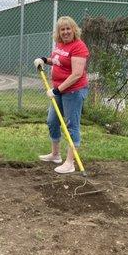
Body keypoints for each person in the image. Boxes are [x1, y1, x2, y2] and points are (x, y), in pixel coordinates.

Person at [34, 16, 90, 174]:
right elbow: (58, 61)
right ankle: (55, 155)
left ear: (74, 29)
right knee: (52, 121)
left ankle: (70, 162)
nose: (65, 32)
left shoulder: (79, 47)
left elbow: (77, 74)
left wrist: (57, 90)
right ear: (58, 32)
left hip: (73, 91)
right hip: (59, 90)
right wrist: (45, 60)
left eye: (68, 28)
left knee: (72, 125)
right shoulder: (60, 44)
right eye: (62, 29)